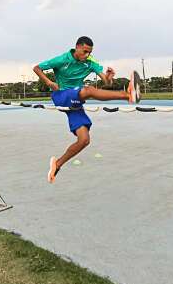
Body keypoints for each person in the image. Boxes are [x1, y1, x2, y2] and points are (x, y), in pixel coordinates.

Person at [33, 36, 141, 183]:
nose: (87, 55)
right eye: (84, 52)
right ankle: (128, 95)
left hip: (75, 101)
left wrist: (109, 77)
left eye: (89, 52)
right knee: (89, 90)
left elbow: (106, 82)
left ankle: (57, 164)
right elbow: (37, 68)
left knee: (84, 140)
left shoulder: (90, 62)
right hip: (62, 95)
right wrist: (49, 82)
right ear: (77, 47)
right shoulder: (62, 59)